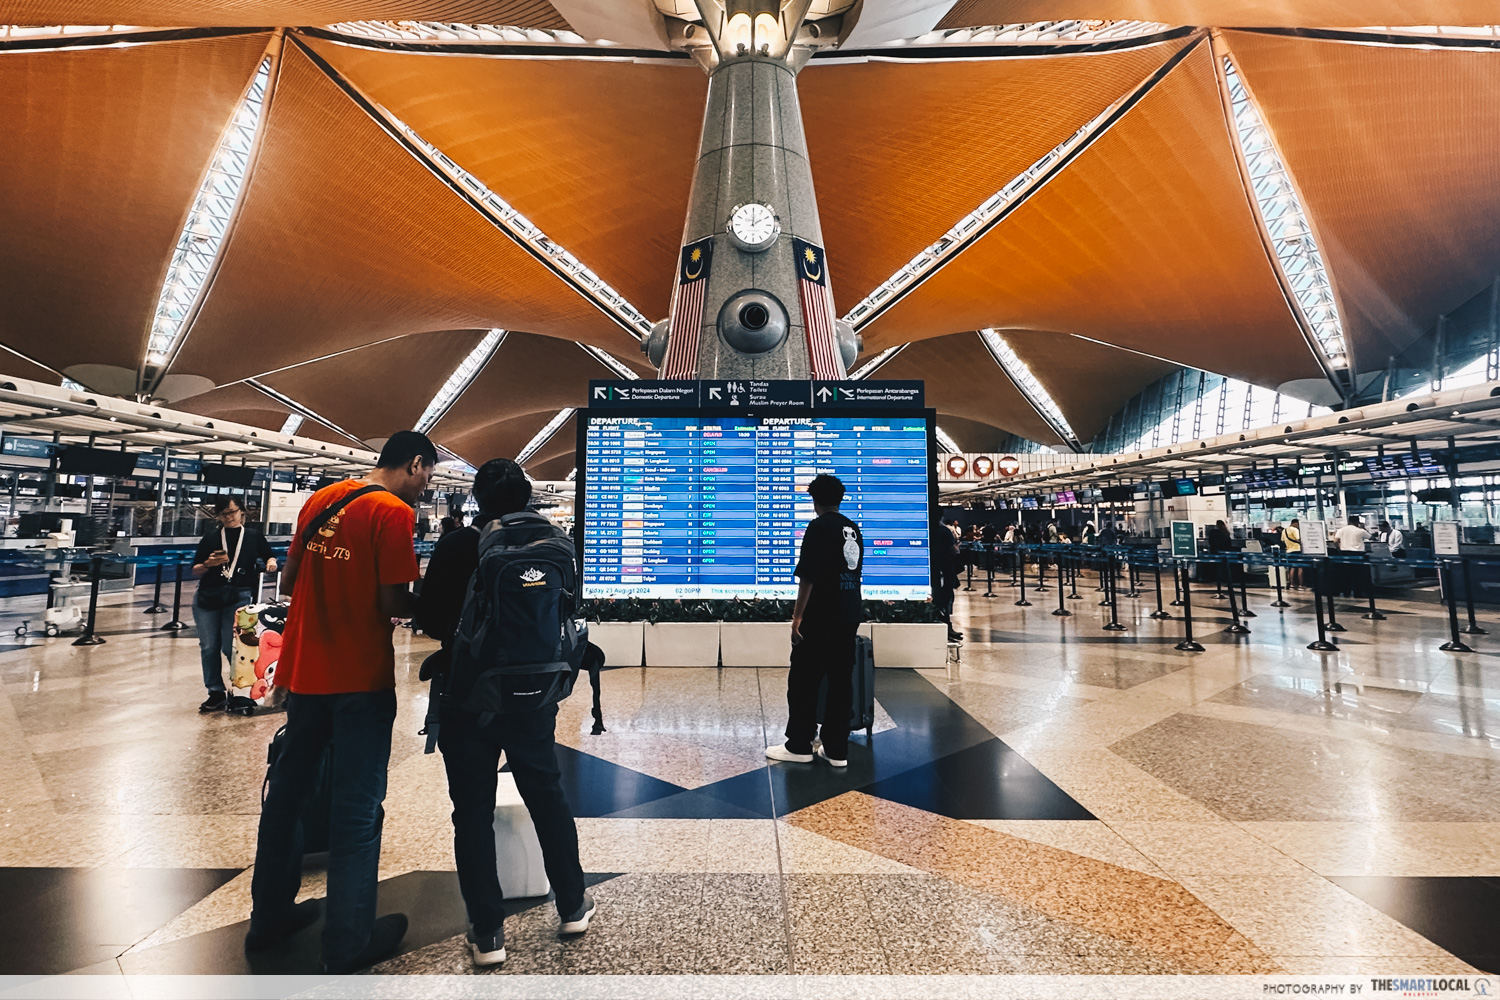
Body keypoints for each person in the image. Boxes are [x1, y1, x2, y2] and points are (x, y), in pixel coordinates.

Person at [247, 431, 437, 974]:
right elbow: (392, 601)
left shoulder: (321, 499)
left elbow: (289, 579)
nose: (427, 486)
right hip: (358, 681)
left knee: (285, 798)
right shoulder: (392, 512)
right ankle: (348, 940)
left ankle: (268, 920)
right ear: (415, 464)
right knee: (356, 809)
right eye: (428, 475)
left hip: (306, 677)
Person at [415, 458, 593, 968]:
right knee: (547, 795)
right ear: (529, 496)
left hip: (468, 695)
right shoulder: (554, 542)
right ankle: (573, 904)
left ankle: (489, 933)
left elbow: (428, 619)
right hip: (534, 695)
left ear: (478, 499)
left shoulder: (459, 545)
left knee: (471, 810)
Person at [766, 474, 863, 769]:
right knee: (841, 682)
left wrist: (797, 617)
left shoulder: (818, 526)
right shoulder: (853, 528)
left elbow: (808, 575)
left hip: (821, 617)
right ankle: (836, 749)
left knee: (804, 682)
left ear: (814, 499)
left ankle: (799, 744)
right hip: (849, 615)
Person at [193, 497, 276, 712]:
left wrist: (271, 562)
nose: (229, 517)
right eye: (224, 514)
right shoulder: (211, 537)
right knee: (209, 646)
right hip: (208, 596)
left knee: (230, 645)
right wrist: (208, 564)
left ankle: (241, 688)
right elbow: (195, 569)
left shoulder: (252, 536)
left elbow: (269, 555)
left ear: (242, 512)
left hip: (238, 595)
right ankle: (215, 691)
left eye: (232, 512)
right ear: (218, 517)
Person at [933, 516, 963, 643]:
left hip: (935, 570)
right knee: (946, 598)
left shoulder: (929, 529)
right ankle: (946, 627)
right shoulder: (944, 531)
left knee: (937, 597)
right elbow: (954, 550)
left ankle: (942, 625)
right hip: (946, 570)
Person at [1283, 518, 1302, 590]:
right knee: (1300, 567)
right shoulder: (1295, 530)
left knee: (1291, 568)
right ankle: (1301, 585)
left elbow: (1282, 540)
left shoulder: (1284, 531)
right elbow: (1298, 539)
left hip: (1288, 551)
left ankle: (1292, 584)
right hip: (1297, 550)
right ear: (1295, 523)